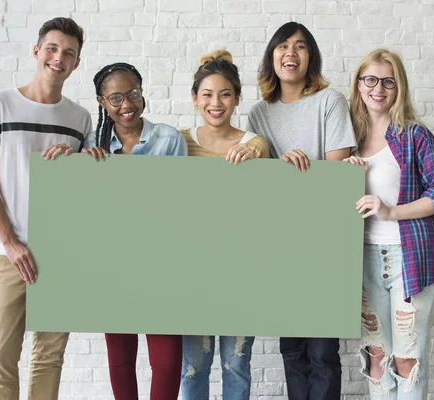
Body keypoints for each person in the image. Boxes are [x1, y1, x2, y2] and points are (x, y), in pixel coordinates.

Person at [47, 62, 187, 400]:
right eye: (116, 98)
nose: (127, 104)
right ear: (101, 101)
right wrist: (71, 163)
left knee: (167, 362)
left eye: (134, 94)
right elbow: (82, 208)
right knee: (121, 359)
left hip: (161, 264)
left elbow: (184, 203)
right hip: (114, 265)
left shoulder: (168, 139)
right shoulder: (92, 142)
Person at [0, 17, 91, 400]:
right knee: (0, 360)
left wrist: (82, 158)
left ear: (76, 63)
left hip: (61, 256)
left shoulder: (80, 119)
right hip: (11, 254)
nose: (59, 58)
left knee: (48, 360)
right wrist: (10, 243)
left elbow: (85, 185)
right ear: (37, 51)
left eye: (69, 53)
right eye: (53, 49)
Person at [247, 22, 356, 400]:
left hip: (325, 242)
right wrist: (279, 168)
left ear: (311, 58)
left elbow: (337, 178)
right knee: (291, 350)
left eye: (300, 46)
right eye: (282, 46)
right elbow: (259, 185)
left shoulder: (331, 101)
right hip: (280, 245)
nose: (290, 53)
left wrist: (300, 166)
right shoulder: (258, 113)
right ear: (271, 56)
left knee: (323, 353)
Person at [344, 48, 434, 399]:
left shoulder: (415, 135)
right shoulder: (348, 139)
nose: (379, 88)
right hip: (364, 260)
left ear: (399, 87)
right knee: (377, 359)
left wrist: (390, 211)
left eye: (388, 81)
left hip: (411, 261)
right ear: (359, 85)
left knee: (407, 360)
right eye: (371, 80)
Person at [179, 49, 269, 400]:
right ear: (194, 98)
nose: (216, 103)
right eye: (207, 94)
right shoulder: (178, 141)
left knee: (237, 367)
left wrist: (255, 153)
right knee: (193, 369)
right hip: (194, 275)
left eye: (225, 94)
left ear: (237, 100)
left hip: (241, 274)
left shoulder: (254, 143)